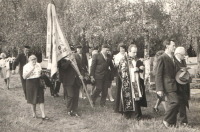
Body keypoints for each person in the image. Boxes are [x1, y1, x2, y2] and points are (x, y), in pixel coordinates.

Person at [114, 44, 147, 120]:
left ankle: (137, 113)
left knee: (136, 97)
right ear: (129, 51)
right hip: (127, 83)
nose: (135, 54)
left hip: (135, 82)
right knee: (129, 97)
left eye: (136, 52)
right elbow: (122, 71)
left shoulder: (135, 59)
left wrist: (141, 68)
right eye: (133, 52)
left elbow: (138, 68)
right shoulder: (123, 60)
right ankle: (129, 114)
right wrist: (133, 70)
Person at [155, 38, 178, 128]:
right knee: (175, 102)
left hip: (174, 84)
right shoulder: (162, 58)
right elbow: (158, 74)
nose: (174, 47)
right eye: (173, 45)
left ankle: (172, 123)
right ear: (167, 46)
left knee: (176, 103)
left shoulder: (172, 57)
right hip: (167, 84)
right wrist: (159, 89)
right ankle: (166, 120)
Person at [23, 55, 49, 120]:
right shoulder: (26, 66)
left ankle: (43, 115)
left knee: (41, 99)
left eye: (35, 60)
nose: (34, 62)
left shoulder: (38, 65)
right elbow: (24, 77)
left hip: (38, 82)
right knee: (32, 99)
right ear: (29, 61)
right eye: (33, 61)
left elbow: (40, 73)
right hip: (30, 83)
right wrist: (32, 69)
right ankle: (34, 113)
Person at [58, 51, 83, 117]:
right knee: (71, 95)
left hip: (76, 80)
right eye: (69, 52)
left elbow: (81, 68)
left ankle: (75, 110)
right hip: (68, 81)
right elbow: (63, 67)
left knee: (76, 96)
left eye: (72, 52)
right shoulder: (63, 60)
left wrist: (81, 75)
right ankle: (69, 110)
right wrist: (69, 60)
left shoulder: (77, 59)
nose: (71, 53)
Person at [174, 47, 191, 126]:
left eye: (184, 55)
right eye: (182, 55)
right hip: (177, 85)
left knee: (182, 102)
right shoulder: (173, 61)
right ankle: (183, 121)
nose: (184, 56)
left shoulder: (183, 60)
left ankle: (177, 119)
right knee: (180, 103)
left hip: (184, 84)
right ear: (177, 54)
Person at [114, 42, 127, 112]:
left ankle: (126, 106)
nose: (122, 50)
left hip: (127, 74)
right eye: (121, 48)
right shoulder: (117, 56)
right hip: (120, 74)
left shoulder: (127, 55)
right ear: (119, 49)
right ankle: (118, 107)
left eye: (123, 48)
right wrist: (119, 62)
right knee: (119, 89)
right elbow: (116, 65)